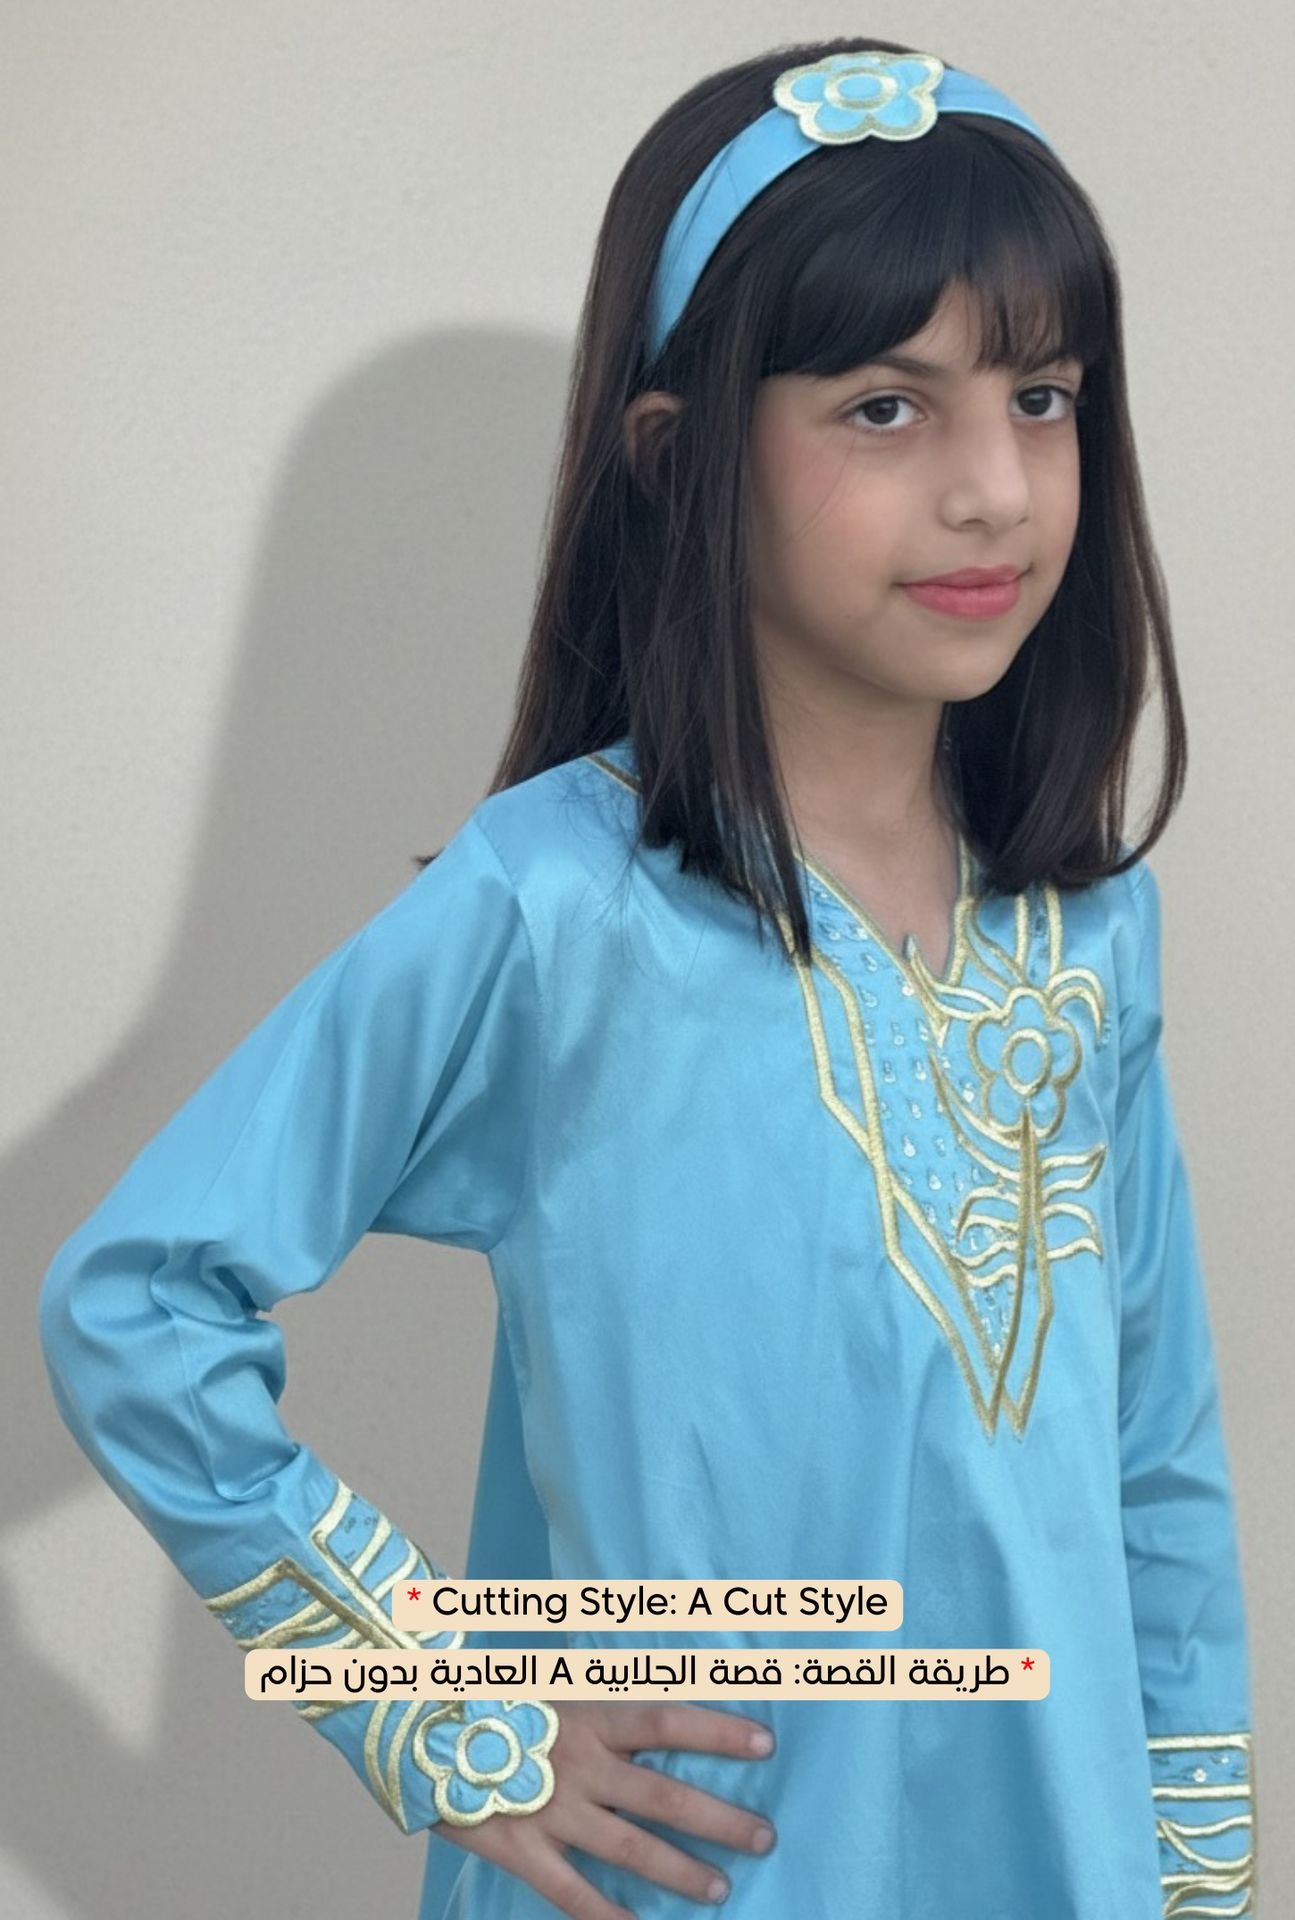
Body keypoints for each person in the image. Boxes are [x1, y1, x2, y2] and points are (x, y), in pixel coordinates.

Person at [37, 34, 1258, 1920]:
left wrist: (1194, 1873)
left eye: (1042, 396)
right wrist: (432, 1697)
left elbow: (1152, 1469)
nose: (994, 490)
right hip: (694, 1883)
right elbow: (135, 1302)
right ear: (681, 458)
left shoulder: (1087, 932)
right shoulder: (557, 908)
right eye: (884, 407)